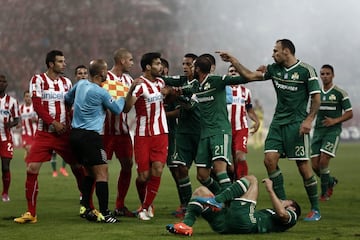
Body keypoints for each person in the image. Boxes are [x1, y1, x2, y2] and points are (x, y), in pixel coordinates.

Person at [217, 38, 322, 221]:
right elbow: (250, 76)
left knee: (303, 167)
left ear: (287, 51)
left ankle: (315, 208)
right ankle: (281, 201)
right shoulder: (273, 69)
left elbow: (316, 98)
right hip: (277, 123)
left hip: (297, 124)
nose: (273, 54)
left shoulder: (306, 71)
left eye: (276, 51)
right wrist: (233, 60)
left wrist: (309, 120)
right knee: (269, 160)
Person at [14, 50, 85, 224]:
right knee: (31, 169)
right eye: (60, 61)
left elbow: (69, 105)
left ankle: (88, 205)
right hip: (45, 133)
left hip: (64, 133)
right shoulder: (37, 80)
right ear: (51, 64)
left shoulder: (67, 82)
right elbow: (37, 106)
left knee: (78, 167)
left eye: (64, 61)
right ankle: (31, 213)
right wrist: (53, 122)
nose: (64, 64)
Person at [66, 59, 127, 223]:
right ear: (101, 73)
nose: (107, 73)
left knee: (90, 173)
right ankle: (106, 214)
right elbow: (117, 110)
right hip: (91, 137)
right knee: (102, 173)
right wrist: (122, 96)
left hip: (75, 134)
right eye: (106, 70)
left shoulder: (80, 85)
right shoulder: (101, 92)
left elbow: (67, 98)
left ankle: (85, 208)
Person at [190, 55, 250, 196]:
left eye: (192, 66)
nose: (190, 68)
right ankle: (222, 197)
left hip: (220, 130)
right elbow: (184, 91)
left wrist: (234, 61)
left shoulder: (218, 81)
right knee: (202, 175)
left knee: (222, 169)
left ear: (198, 68)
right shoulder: (195, 85)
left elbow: (246, 78)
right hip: (205, 134)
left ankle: (232, 202)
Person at [166, 175, 301, 235]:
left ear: (292, 207)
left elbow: (282, 214)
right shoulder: (270, 213)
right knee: (200, 191)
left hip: (246, 223)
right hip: (226, 225)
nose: (282, 200)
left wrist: (270, 190)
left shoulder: (292, 216)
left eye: (286, 201)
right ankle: (186, 225)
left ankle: (217, 199)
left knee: (252, 179)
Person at [123, 52, 170, 220]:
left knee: (157, 169)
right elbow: (127, 108)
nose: (161, 67)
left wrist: (169, 91)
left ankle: (145, 207)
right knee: (143, 177)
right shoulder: (140, 85)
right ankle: (146, 203)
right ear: (148, 67)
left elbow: (166, 93)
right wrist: (130, 90)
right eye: (157, 64)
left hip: (161, 133)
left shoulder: (161, 82)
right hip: (142, 135)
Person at [311, 64, 353, 201]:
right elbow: (312, 109)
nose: (325, 76)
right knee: (315, 166)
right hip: (318, 131)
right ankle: (330, 181)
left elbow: (349, 113)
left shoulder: (340, 93)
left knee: (323, 161)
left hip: (332, 131)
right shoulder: (316, 93)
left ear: (333, 75)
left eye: (327, 74)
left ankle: (324, 194)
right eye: (322, 74)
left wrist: (335, 121)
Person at [103, 48, 135, 217]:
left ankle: (119, 205)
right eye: (130, 60)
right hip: (104, 132)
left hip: (122, 131)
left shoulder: (129, 79)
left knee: (128, 165)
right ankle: (91, 205)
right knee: (99, 168)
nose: (132, 63)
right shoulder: (104, 77)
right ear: (122, 61)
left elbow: (129, 106)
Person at [168, 53, 200, 218]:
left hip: (201, 133)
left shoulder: (201, 84)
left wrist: (176, 96)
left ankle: (222, 202)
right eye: (183, 64)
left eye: (189, 64)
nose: (185, 67)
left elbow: (190, 106)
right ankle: (186, 206)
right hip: (183, 134)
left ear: (197, 67)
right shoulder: (181, 81)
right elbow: (164, 80)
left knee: (207, 174)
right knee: (181, 169)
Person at [226, 65, 260, 179]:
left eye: (236, 71)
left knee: (240, 156)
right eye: (231, 71)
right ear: (227, 74)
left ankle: (242, 184)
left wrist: (256, 121)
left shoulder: (246, 92)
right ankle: (232, 183)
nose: (233, 73)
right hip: (225, 129)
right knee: (229, 163)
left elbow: (249, 109)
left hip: (241, 128)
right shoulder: (223, 90)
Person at [0, 74, 20, 202]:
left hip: (5, 138)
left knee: (5, 167)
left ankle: (5, 193)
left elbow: (17, 119)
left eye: (3, 81)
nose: (2, 83)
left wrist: (10, 124)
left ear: (6, 84)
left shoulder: (12, 102)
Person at [19, 90, 37, 159]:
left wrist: (36, 120)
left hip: (35, 133)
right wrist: (18, 124)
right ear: (24, 98)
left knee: (32, 154)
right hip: (25, 133)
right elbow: (17, 119)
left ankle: (29, 167)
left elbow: (41, 119)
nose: (28, 98)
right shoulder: (20, 108)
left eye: (30, 97)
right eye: (26, 96)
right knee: (30, 149)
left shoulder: (35, 107)